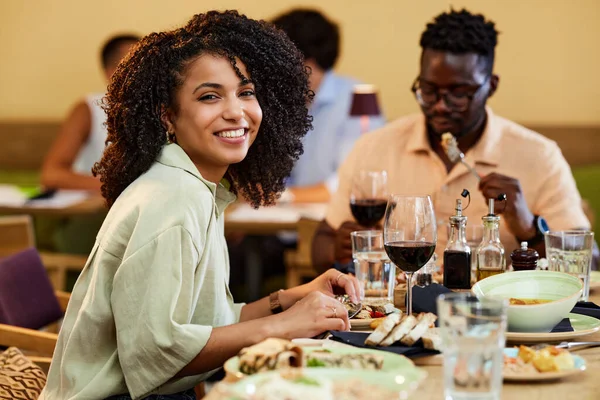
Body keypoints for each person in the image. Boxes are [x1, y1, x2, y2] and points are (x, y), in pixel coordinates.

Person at [40, 11, 360, 400]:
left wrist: (286, 300)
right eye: (210, 96)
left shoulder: (194, 187)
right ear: (168, 117)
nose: (236, 111)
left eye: (246, 92)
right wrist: (282, 326)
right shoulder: (172, 199)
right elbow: (156, 353)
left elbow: (205, 326)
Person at [312, 8, 596, 273]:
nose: (440, 106)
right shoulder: (375, 147)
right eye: (428, 89)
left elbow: (590, 261)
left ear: (491, 86)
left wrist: (529, 228)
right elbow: (321, 242)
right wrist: (338, 249)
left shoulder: (538, 155)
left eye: (459, 93)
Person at [272, 8, 386, 203]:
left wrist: (284, 197)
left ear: (308, 61)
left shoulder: (359, 99)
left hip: (331, 223)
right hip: (275, 225)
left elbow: (357, 181)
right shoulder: (279, 100)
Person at [40, 34, 140, 191]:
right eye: (135, 66)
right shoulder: (89, 109)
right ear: (111, 73)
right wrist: (122, 189)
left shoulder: (164, 108)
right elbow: (52, 175)